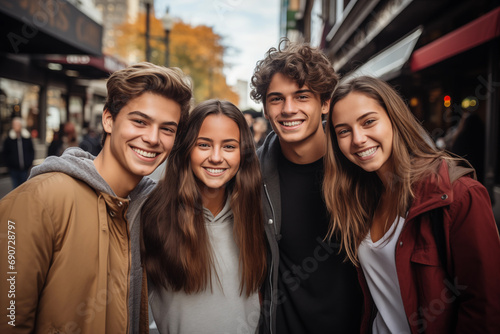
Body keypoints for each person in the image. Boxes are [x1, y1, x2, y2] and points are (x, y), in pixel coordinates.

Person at [0, 62, 192, 334]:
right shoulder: (40, 199)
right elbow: (9, 318)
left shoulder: (148, 210)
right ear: (108, 120)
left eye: (167, 129)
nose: (152, 138)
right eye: (140, 121)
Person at [323, 75, 500, 333]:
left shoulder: (459, 194)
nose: (358, 139)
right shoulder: (361, 198)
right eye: (343, 131)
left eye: (369, 121)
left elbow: (486, 309)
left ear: (394, 119)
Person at [250, 40, 366, 334]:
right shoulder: (250, 176)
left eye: (302, 96)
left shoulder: (361, 166)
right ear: (265, 108)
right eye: (276, 99)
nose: (289, 109)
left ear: (325, 102)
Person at [142, 99, 266, 333]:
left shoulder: (257, 214)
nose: (216, 157)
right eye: (204, 145)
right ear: (186, 148)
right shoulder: (153, 212)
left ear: (243, 152)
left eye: (229, 146)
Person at [2, 117, 34, 188]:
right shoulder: (9, 139)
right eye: (14, 124)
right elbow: (5, 153)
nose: (15, 126)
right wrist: (9, 165)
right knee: (15, 189)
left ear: (20, 125)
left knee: (23, 188)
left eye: (17, 124)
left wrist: (29, 163)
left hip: (24, 169)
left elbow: (31, 151)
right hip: (13, 169)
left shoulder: (27, 137)